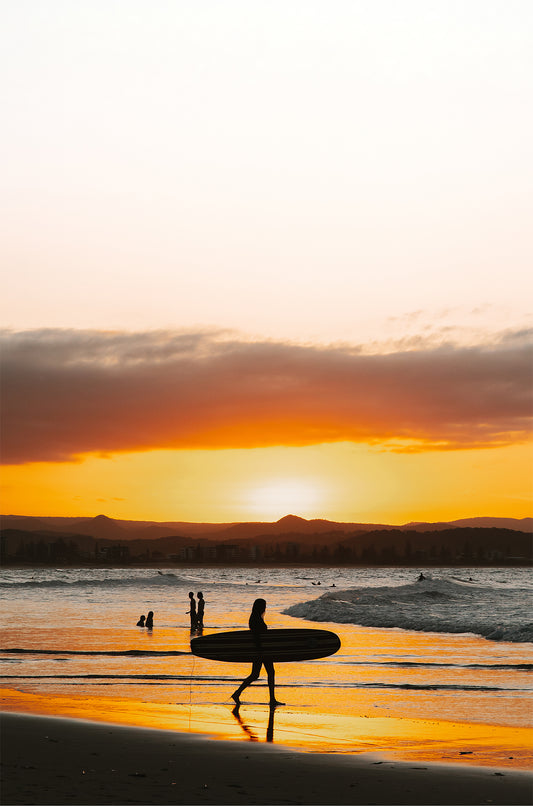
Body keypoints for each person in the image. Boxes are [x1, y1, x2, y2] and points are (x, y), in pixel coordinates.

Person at [231, 598, 283, 708]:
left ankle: (237, 693)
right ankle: (272, 699)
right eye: (264, 606)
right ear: (260, 607)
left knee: (255, 674)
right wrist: (261, 651)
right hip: (262, 651)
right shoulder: (256, 620)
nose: (265, 608)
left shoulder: (255, 618)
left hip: (259, 651)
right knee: (269, 673)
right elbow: (257, 637)